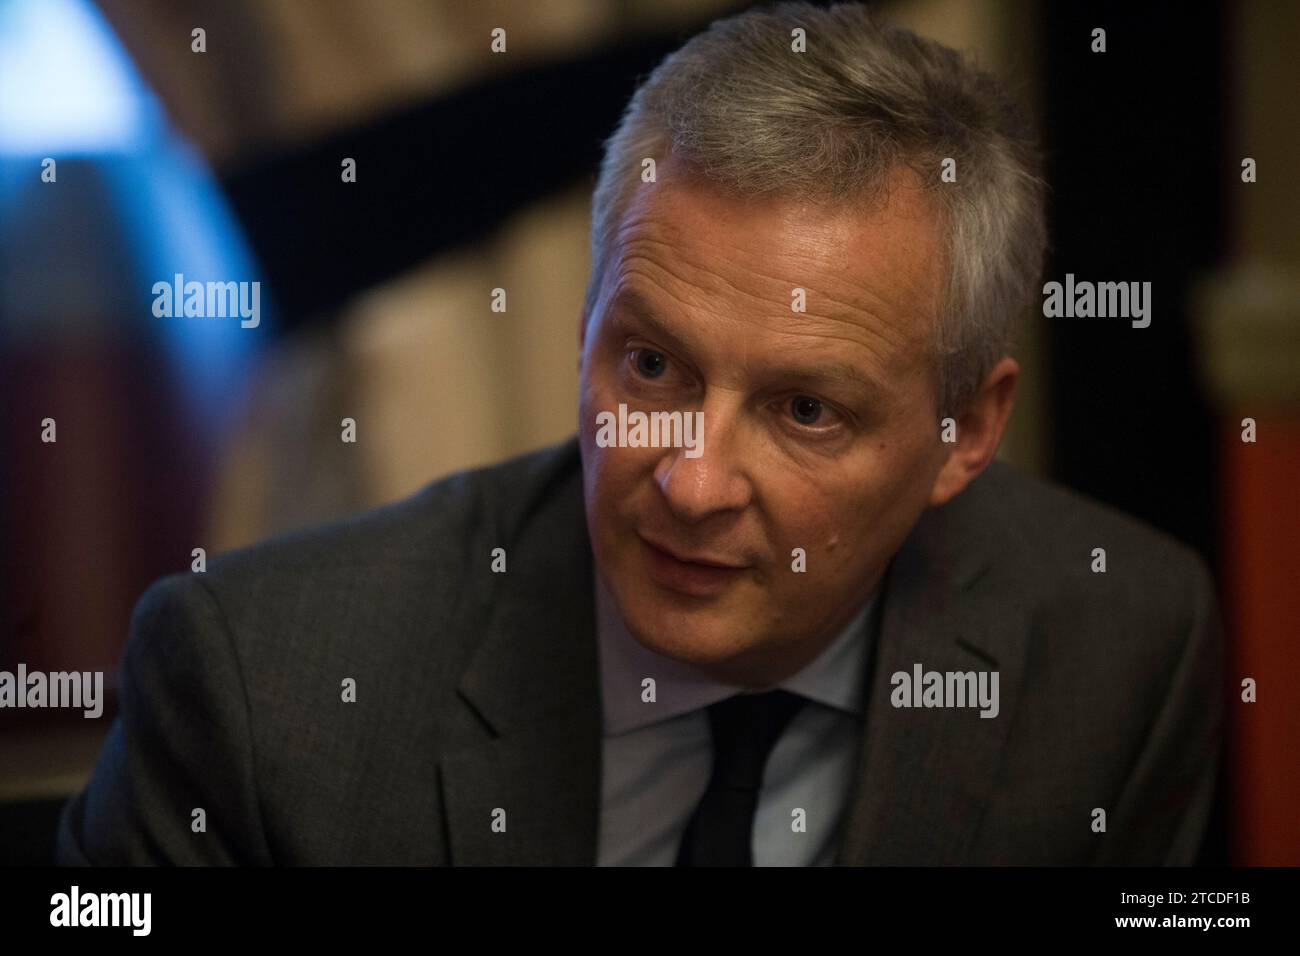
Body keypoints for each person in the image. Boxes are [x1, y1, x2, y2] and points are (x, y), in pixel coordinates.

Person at [56, 1, 1222, 866]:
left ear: (966, 430)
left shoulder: (1118, 642)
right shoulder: (262, 684)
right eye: (652, 363)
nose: (692, 479)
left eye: (806, 409)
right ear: (583, 328)